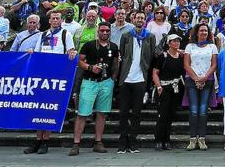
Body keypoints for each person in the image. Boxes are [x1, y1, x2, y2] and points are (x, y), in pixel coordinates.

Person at [24, 12, 77, 155]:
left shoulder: (66, 35)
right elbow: (37, 52)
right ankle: (37, 140)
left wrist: (72, 53)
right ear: (49, 20)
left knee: (49, 109)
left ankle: (45, 141)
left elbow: (71, 51)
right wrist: (31, 51)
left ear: (61, 20)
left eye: (57, 18)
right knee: (39, 109)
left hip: (56, 77)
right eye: (53, 18)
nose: (55, 20)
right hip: (42, 76)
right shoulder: (43, 35)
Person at [69, 22, 120, 156]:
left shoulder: (114, 47)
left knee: (102, 113)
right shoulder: (89, 45)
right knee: (82, 113)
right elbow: (79, 61)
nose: (104, 33)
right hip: (89, 81)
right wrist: (91, 68)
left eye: (107, 31)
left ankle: (98, 142)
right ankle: (76, 143)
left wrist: (113, 79)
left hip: (106, 82)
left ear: (110, 32)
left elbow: (116, 64)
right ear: (98, 31)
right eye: (102, 30)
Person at [117, 11, 157, 154]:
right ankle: (123, 142)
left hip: (141, 79)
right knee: (123, 112)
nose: (139, 19)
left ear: (145, 20)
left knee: (137, 113)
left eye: (142, 18)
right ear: (133, 19)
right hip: (126, 79)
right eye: (137, 17)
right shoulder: (126, 36)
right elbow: (121, 54)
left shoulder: (150, 37)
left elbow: (152, 56)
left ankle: (133, 142)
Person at [183, 23, 218, 151]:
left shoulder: (212, 46)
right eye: (201, 31)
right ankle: (192, 139)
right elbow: (186, 65)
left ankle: (202, 139)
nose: (203, 33)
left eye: (205, 31)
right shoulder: (189, 46)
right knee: (193, 110)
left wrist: (204, 78)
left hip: (207, 81)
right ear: (196, 33)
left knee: (203, 110)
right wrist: (196, 78)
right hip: (192, 81)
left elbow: (214, 65)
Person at [152, 34, 185, 151]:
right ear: (169, 43)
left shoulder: (181, 56)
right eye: (174, 41)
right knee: (162, 115)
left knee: (171, 115)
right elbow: (155, 72)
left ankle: (167, 140)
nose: (176, 43)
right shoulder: (163, 56)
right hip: (164, 88)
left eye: (178, 41)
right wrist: (159, 86)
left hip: (176, 89)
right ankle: (158, 140)